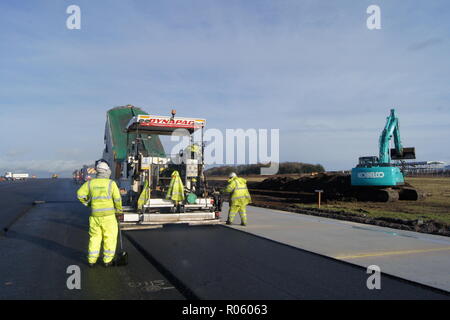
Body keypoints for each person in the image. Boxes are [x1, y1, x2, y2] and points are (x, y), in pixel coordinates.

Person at [77, 161, 123, 267]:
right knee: (109, 237)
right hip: (109, 217)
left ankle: (92, 260)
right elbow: (117, 199)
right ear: (107, 171)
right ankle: (107, 261)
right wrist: (119, 211)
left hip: (95, 217)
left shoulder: (90, 183)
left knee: (95, 238)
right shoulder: (111, 184)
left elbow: (80, 194)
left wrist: (88, 203)